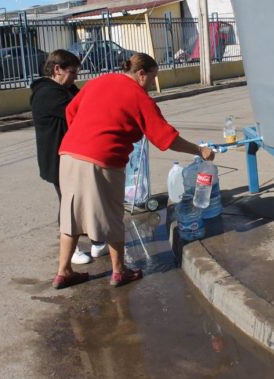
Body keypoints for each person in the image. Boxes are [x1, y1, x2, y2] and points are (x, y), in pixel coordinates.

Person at [52, 52, 215, 289]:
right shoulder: (139, 96)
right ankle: (119, 271)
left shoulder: (99, 81)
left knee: (71, 214)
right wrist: (199, 150)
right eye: (152, 78)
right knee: (112, 214)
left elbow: (71, 112)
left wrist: (83, 136)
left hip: (68, 155)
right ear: (141, 74)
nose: (152, 84)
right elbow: (165, 138)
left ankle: (63, 272)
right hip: (101, 159)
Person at [30, 50, 109, 266]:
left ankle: (97, 241)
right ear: (57, 69)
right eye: (72, 72)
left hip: (75, 156)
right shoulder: (47, 93)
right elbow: (84, 112)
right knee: (69, 204)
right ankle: (71, 251)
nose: (76, 77)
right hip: (58, 160)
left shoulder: (65, 88)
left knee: (87, 199)